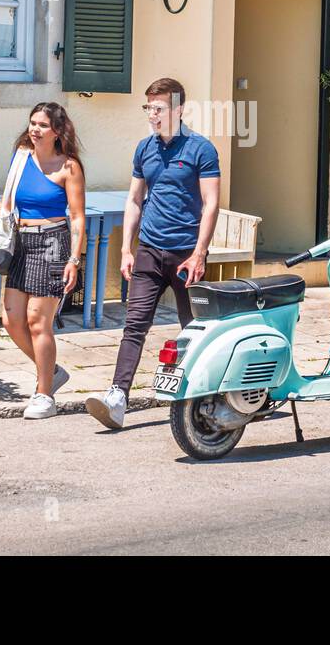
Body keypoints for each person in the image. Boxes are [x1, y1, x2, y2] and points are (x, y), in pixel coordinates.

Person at [86, 77, 220, 430]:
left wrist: (200, 254)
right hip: (148, 251)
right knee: (134, 325)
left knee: (194, 328)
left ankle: (203, 394)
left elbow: (211, 204)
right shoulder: (144, 149)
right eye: (148, 108)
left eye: (158, 108)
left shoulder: (201, 149)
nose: (152, 114)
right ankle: (117, 397)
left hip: (185, 256)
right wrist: (126, 250)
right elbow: (133, 201)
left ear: (178, 109)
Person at [0, 102, 86, 420]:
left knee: (38, 321)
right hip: (21, 242)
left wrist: (74, 260)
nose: (35, 129)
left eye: (43, 125)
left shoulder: (69, 167)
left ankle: (44, 393)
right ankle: (51, 371)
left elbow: (77, 219)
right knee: (11, 319)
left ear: (58, 131)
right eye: (32, 123)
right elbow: (5, 204)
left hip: (52, 243)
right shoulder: (21, 158)